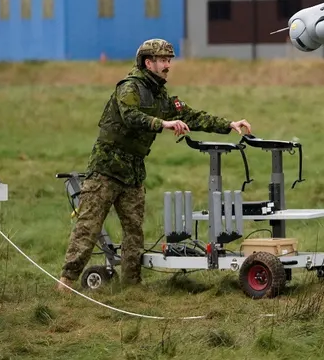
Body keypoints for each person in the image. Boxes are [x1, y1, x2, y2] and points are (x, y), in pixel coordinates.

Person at [57, 38, 252, 291]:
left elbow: (190, 115)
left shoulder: (160, 95)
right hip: (106, 169)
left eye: (169, 60)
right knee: (88, 228)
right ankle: (65, 284)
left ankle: (131, 288)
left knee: (134, 233)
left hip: (133, 171)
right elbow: (131, 116)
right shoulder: (129, 87)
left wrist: (228, 125)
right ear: (148, 62)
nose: (168, 65)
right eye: (162, 60)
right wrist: (163, 124)